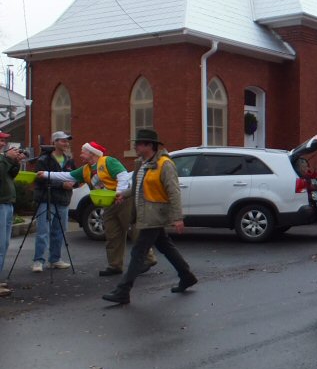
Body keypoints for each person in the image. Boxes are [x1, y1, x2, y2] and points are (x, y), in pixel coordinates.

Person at [102, 128, 197, 304]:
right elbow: (138, 186)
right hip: (145, 213)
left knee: (138, 252)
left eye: (138, 144)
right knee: (165, 246)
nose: (135, 147)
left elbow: (174, 191)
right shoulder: (141, 163)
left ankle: (123, 291)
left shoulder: (164, 164)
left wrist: (178, 217)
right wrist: (124, 194)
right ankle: (187, 276)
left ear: (149, 145)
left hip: (155, 214)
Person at [39, 141, 155, 276]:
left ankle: (148, 259)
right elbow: (68, 176)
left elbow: (122, 175)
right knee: (112, 234)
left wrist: (120, 193)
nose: (80, 155)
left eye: (83, 152)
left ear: (92, 153)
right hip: (109, 204)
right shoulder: (85, 169)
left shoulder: (108, 161)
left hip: (124, 201)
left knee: (134, 231)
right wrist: (46, 174)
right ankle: (115, 265)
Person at [31, 131, 77, 272]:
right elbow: (40, 179)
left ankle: (55, 259)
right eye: (63, 141)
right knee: (43, 231)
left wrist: (74, 183)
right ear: (55, 142)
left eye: (67, 141)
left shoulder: (69, 160)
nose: (66, 143)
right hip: (46, 199)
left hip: (63, 200)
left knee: (59, 231)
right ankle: (38, 261)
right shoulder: (44, 159)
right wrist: (61, 185)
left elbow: (75, 176)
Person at [0, 134, 27, 297]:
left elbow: (10, 175)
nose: (3, 143)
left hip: (7, 203)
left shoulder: (3, 158)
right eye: (0, 140)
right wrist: (8, 159)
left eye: (4, 140)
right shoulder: (3, 158)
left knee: (3, 244)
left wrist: (15, 162)